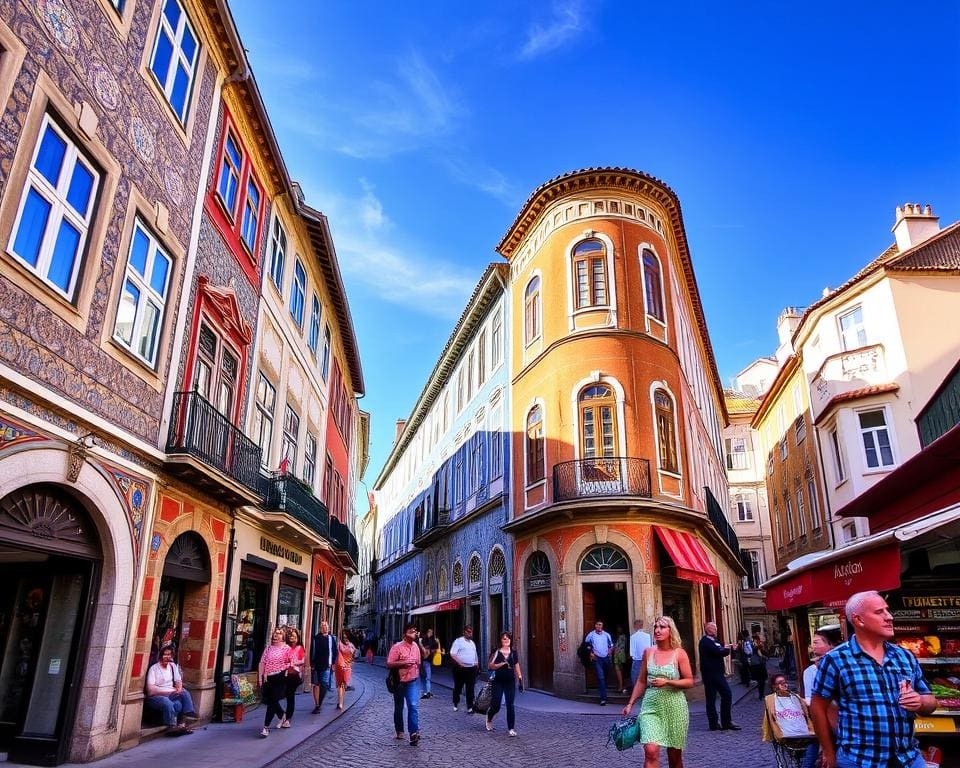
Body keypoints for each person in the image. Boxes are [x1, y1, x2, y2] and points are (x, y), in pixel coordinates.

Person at [811, 590, 936, 768]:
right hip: (860, 760)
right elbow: (818, 707)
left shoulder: (905, 656)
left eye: (887, 610)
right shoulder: (835, 660)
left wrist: (921, 701)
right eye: (879, 612)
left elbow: (931, 701)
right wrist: (829, 752)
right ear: (858, 620)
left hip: (908, 759)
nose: (889, 617)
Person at [622, 616, 693, 768]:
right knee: (651, 751)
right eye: (656, 627)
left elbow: (689, 681)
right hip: (651, 707)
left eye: (662, 627)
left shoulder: (679, 653)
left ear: (670, 631)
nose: (657, 630)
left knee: (675, 758)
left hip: (675, 708)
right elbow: (641, 680)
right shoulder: (648, 652)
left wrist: (668, 682)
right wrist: (630, 703)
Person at [763, 673, 818, 768]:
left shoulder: (795, 697)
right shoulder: (771, 700)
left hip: (805, 734)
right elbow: (769, 720)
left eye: (785, 682)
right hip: (788, 737)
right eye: (780, 683)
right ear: (774, 686)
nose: (784, 684)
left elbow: (806, 712)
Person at [387, 623, 427, 746]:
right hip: (399, 682)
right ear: (405, 633)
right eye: (411, 631)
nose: (414, 632)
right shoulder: (397, 647)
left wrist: (417, 672)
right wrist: (403, 663)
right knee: (399, 707)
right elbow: (389, 663)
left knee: (413, 705)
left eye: (415, 630)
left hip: (412, 681)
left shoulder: (416, 647)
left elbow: (420, 662)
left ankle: (413, 733)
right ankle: (399, 730)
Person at [144, 644, 196, 735]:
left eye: (169, 655)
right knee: (166, 702)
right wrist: (171, 690)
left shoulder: (172, 666)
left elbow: (178, 680)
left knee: (184, 693)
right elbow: (150, 690)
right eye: (165, 654)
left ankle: (184, 721)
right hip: (156, 696)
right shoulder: (154, 669)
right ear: (160, 656)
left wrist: (179, 688)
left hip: (170, 693)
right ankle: (171, 726)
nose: (167, 657)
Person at [698, 621, 740, 731]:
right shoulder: (705, 641)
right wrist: (728, 649)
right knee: (723, 695)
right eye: (713, 628)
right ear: (708, 630)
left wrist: (728, 648)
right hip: (711, 673)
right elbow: (718, 651)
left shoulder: (715, 641)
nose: (716, 630)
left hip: (717, 673)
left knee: (719, 696)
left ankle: (723, 722)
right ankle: (718, 723)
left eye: (716, 628)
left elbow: (722, 648)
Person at [484, 631, 523, 737]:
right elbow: (490, 666)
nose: (506, 640)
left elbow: (516, 665)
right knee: (496, 705)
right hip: (498, 681)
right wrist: (500, 665)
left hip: (510, 681)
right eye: (504, 638)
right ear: (501, 640)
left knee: (510, 705)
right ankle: (489, 717)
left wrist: (520, 678)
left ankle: (511, 728)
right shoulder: (496, 652)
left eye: (508, 638)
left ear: (510, 640)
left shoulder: (514, 652)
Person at [258, 628, 293, 737]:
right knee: (268, 700)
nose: (276, 635)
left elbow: (291, 661)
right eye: (275, 633)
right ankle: (282, 714)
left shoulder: (286, 648)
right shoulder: (268, 648)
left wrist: (285, 669)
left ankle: (266, 727)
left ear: (283, 636)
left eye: (279, 634)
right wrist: (260, 677)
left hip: (280, 677)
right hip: (268, 677)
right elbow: (262, 662)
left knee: (273, 701)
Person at [584, 620, 614, 705]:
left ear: (602, 626)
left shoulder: (606, 635)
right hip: (597, 658)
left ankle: (602, 688)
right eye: (598, 625)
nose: (599, 626)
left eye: (601, 625)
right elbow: (585, 645)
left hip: (606, 658)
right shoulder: (591, 635)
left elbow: (611, 645)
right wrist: (590, 653)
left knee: (605, 675)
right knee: (601, 677)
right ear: (595, 626)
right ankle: (603, 699)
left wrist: (610, 651)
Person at [450, 625, 479, 712]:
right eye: (468, 631)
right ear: (464, 632)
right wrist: (459, 662)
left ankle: (470, 707)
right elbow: (453, 653)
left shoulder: (472, 643)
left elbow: (475, 654)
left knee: (470, 688)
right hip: (461, 668)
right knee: (458, 686)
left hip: (471, 668)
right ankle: (455, 703)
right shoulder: (458, 641)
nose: (470, 633)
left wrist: (477, 663)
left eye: (471, 632)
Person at [310, 620, 336, 714]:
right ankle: (317, 705)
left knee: (324, 685)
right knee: (316, 684)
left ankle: (319, 703)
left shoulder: (331, 638)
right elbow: (312, 651)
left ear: (328, 628)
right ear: (320, 628)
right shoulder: (316, 638)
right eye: (322, 626)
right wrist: (312, 663)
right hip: (317, 665)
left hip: (327, 666)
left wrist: (333, 663)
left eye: (326, 625)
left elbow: (334, 651)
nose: (324, 627)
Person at [281, 628, 305, 728]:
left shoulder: (299, 648)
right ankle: (284, 715)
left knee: (290, 696)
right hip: (285, 673)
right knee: (286, 694)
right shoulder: (285, 647)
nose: (292, 638)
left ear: (298, 638)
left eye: (294, 637)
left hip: (294, 675)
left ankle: (288, 718)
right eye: (291, 636)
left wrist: (293, 662)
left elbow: (302, 660)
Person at [335, 629, 355, 710]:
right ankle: (340, 702)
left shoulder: (351, 645)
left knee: (344, 684)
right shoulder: (339, 644)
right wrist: (341, 664)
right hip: (340, 666)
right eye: (343, 635)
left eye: (346, 635)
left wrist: (350, 663)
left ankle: (341, 701)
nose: (345, 637)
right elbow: (339, 656)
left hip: (347, 667)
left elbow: (353, 657)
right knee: (340, 684)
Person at [629, 618, 652, 686]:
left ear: (635, 626)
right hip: (647, 660)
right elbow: (650, 648)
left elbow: (632, 652)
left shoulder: (633, 637)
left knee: (635, 679)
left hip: (637, 660)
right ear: (642, 625)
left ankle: (637, 694)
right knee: (645, 678)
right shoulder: (648, 636)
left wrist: (634, 657)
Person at [418, 628, 440, 699]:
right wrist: (438, 642)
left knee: (425, 677)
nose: (431, 634)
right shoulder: (427, 640)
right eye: (431, 632)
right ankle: (427, 692)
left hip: (425, 661)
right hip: (426, 661)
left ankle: (426, 692)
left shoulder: (427, 639)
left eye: (432, 633)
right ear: (428, 632)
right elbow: (436, 648)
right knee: (428, 678)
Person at [749, 632, 768, 699]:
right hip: (759, 665)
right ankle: (761, 694)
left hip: (755, 664)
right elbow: (760, 654)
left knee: (760, 681)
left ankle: (761, 694)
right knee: (761, 681)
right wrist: (764, 657)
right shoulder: (757, 645)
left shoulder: (752, 644)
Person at [613, 625, 629, 694]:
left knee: (624, 672)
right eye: (617, 628)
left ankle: (622, 687)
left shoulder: (624, 637)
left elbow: (626, 646)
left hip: (623, 656)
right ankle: (620, 687)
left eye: (620, 628)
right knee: (618, 671)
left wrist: (628, 654)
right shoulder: (615, 637)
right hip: (616, 656)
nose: (618, 629)